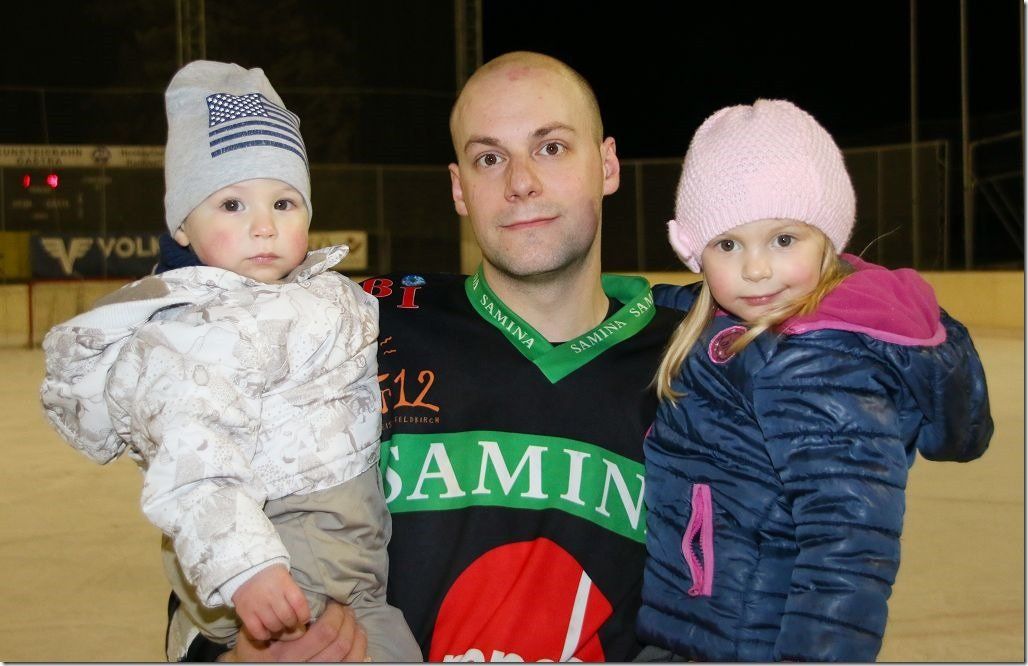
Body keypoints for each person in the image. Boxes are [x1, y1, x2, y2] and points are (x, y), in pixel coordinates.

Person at [172, 50, 686, 662]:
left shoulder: (699, 366)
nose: (521, 182)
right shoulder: (351, 332)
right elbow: (207, 522)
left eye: (551, 148)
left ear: (607, 165)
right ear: (459, 188)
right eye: (489, 158)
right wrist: (236, 654)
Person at [39, 60, 420, 662]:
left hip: (346, 560)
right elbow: (194, 462)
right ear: (182, 226)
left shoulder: (320, 294)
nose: (264, 226)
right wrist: (248, 570)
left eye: (284, 202)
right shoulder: (192, 332)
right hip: (281, 564)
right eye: (232, 204)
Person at [637, 99, 993, 661]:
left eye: (783, 239)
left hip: (750, 644)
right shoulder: (728, 321)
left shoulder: (818, 365)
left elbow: (847, 547)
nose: (756, 269)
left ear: (826, 237)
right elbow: (664, 308)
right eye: (728, 244)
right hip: (706, 627)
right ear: (695, 252)